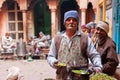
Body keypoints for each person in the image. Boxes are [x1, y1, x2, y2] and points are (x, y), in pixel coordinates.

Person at [47, 10, 102, 80]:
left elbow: (94, 55)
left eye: (74, 20)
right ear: (64, 23)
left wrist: (97, 67)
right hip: (62, 76)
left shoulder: (85, 39)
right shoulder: (57, 39)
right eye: (68, 20)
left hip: (81, 77)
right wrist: (54, 62)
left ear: (77, 23)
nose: (71, 22)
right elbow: (50, 56)